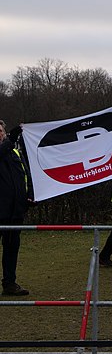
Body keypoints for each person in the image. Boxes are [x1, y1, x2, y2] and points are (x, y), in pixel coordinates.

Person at [0, 121, 32, 296]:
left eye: (1, 130)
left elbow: (26, 174)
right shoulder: (6, 147)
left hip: (15, 211)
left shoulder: (13, 151)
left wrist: (30, 195)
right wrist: (11, 139)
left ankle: (9, 283)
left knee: (11, 249)